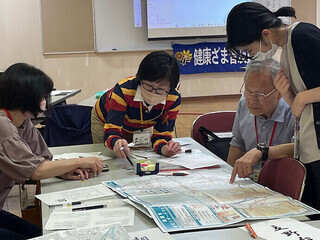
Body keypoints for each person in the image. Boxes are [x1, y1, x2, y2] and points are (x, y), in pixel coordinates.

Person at [226, 2, 320, 218]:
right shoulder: (286, 50)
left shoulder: (302, 35)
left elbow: (308, 99)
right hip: (309, 150)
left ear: (266, 34)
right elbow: (305, 108)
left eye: (249, 50)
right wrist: (289, 97)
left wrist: (302, 97)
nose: (251, 56)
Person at [0, 63, 104, 239]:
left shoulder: (23, 121)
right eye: (42, 95)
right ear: (25, 96)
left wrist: (61, 171)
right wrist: (81, 161)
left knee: (39, 234)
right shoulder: (4, 126)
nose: (45, 100)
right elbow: (36, 170)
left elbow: (42, 159)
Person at [91, 51, 181, 159]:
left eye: (160, 89)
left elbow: (162, 135)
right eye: (148, 85)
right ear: (140, 78)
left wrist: (164, 149)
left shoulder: (173, 98)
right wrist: (115, 142)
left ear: (170, 88)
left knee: (139, 159)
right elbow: (112, 129)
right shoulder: (123, 91)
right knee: (111, 158)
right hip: (105, 120)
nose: (153, 92)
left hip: (141, 125)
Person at [227, 59, 294, 180]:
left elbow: (298, 149)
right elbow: (238, 143)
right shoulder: (243, 103)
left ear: (279, 92)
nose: (252, 101)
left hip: (282, 182)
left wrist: (262, 152)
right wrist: (228, 177)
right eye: (248, 92)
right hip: (250, 183)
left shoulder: (293, 110)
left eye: (260, 95)